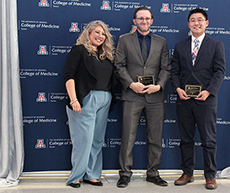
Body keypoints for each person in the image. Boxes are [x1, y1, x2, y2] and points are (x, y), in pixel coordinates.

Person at [114, 6, 171, 188]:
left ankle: (153, 173)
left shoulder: (161, 41)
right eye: (140, 18)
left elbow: (166, 68)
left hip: (155, 97)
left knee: (156, 136)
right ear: (135, 21)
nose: (144, 21)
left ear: (152, 21)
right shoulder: (124, 40)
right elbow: (119, 65)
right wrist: (131, 84)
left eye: (147, 18)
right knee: (128, 137)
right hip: (132, 95)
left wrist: (159, 86)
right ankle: (124, 174)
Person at [170, 8, 226, 189]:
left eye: (200, 20)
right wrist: (177, 88)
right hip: (184, 100)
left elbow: (220, 71)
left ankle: (210, 175)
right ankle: (187, 173)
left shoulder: (216, 45)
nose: (196, 23)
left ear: (206, 23)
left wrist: (209, 91)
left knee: (208, 139)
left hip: (206, 100)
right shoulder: (180, 46)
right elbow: (175, 71)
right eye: (192, 20)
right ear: (188, 24)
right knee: (186, 139)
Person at [64, 20, 116, 188]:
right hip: (84, 99)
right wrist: (74, 100)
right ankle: (75, 177)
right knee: (83, 140)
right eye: (97, 32)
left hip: (105, 99)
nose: (100, 36)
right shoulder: (79, 50)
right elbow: (69, 76)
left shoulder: (106, 56)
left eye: (103, 34)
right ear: (88, 33)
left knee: (96, 140)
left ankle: (92, 174)